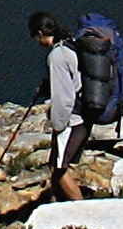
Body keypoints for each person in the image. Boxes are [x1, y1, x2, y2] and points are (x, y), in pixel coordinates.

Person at [29, 11, 86, 204]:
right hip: (84, 114)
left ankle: (83, 212)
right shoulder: (70, 44)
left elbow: (64, 98)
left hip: (72, 120)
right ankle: (55, 207)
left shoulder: (57, 56)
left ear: (40, 33)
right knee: (56, 162)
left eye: (34, 36)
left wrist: (58, 124)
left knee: (60, 169)